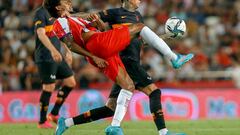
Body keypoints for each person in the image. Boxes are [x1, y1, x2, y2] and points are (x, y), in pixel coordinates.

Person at [44, 0, 193, 134]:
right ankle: (174, 58)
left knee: (122, 93)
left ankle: (71, 123)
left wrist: (98, 24)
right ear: (58, 6)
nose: (69, 1)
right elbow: (71, 43)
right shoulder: (61, 22)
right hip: (107, 50)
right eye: (65, 1)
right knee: (153, 91)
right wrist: (92, 55)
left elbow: (133, 38)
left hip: (108, 51)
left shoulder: (74, 18)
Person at [34, 2, 76, 128]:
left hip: (57, 55)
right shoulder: (40, 13)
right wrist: (52, 50)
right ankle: (42, 122)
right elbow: (41, 34)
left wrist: (68, 51)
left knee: (70, 82)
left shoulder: (57, 13)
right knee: (49, 88)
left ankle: (54, 114)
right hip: (45, 56)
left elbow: (61, 32)